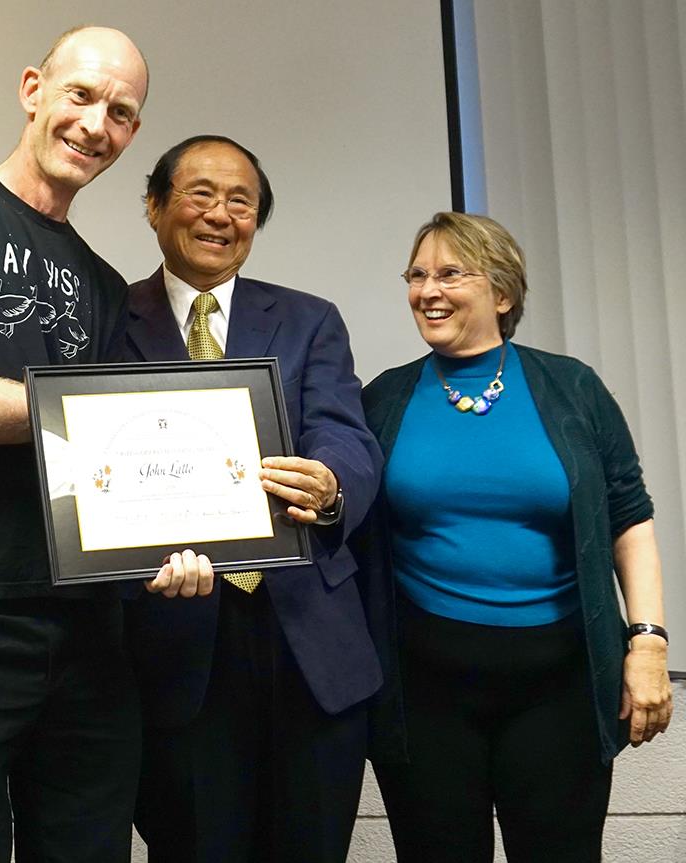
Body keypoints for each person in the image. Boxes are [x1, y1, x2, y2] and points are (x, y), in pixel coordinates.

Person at [0, 26, 211, 863]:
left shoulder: (98, 279)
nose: (98, 125)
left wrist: (177, 540)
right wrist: (98, 416)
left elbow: (108, 472)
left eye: (122, 113)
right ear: (32, 90)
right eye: (82, 96)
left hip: (89, 628)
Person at [355, 211, 673, 863]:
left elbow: (629, 517)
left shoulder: (573, 387)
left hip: (558, 685)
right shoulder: (383, 399)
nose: (427, 289)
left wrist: (647, 643)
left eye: (449, 273)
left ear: (502, 293)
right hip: (424, 692)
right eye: (416, 274)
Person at [124, 134, 384, 863]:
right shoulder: (109, 319)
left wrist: (330, 484)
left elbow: (349, 436)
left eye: (241, 201)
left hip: (306, 633)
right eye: (200, 193)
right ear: (153, 204)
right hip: (174, 638)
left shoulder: (309, 319)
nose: (220, 214)